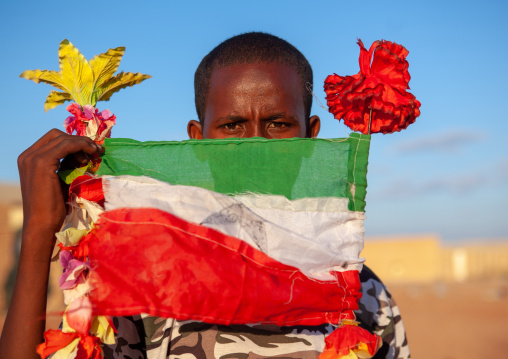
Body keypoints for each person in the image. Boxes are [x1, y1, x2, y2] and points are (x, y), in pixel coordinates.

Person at [0, 32, 409, 359]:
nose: (255, 146)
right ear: (198, 142)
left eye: (279, 124)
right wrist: (38, 233)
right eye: (231, 126)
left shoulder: (355, 288)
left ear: (310, 135)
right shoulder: (148, 272)